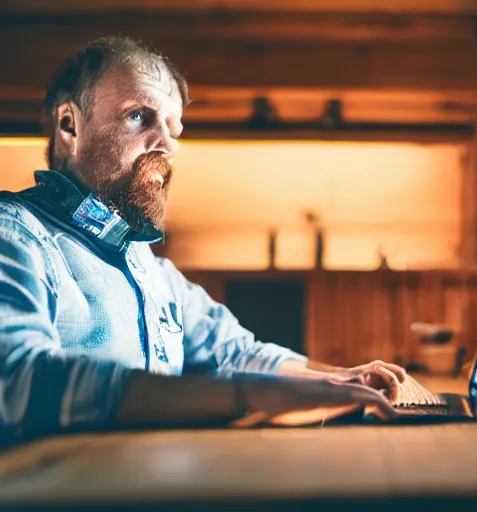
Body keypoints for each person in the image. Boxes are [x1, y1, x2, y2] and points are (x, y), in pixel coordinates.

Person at [0, 36, 405, 445]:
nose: (168, 145)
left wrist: (337, 380)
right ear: (70, 124)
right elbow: (16, 383)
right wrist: (250, 397)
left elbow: (232, 351)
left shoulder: (148, 266)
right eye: (139, 116)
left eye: (173, 128)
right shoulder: (14, 235)